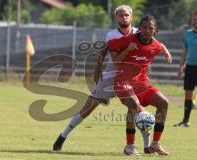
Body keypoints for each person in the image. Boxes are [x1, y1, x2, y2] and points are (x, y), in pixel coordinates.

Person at [53, 5, 152, 155]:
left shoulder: (140, 33)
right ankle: (62, 136)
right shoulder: (112, 35)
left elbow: (149, 49)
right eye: (120, 15)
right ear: (116, 18)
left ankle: (146, 146)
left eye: (126, 15)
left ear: (131, 17)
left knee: (139, 110)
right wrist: (97, 72)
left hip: (129, 80)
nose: (124, 18)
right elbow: (103, 53)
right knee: (87, 108)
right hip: (111, 78)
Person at [108, 15, 172, 156]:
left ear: (155, 31)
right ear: (139, 28)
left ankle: (155, 144)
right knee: (134, 104)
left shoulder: (155, 45)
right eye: (144, 27)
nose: (147, 31)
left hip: (142, 84)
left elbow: (159, 45)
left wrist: (166, 51)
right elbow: (112, 51)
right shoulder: (128, 40)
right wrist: (128, 50)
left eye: (151, 28)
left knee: (164, 102)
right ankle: (130, 146)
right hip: (122, 81)